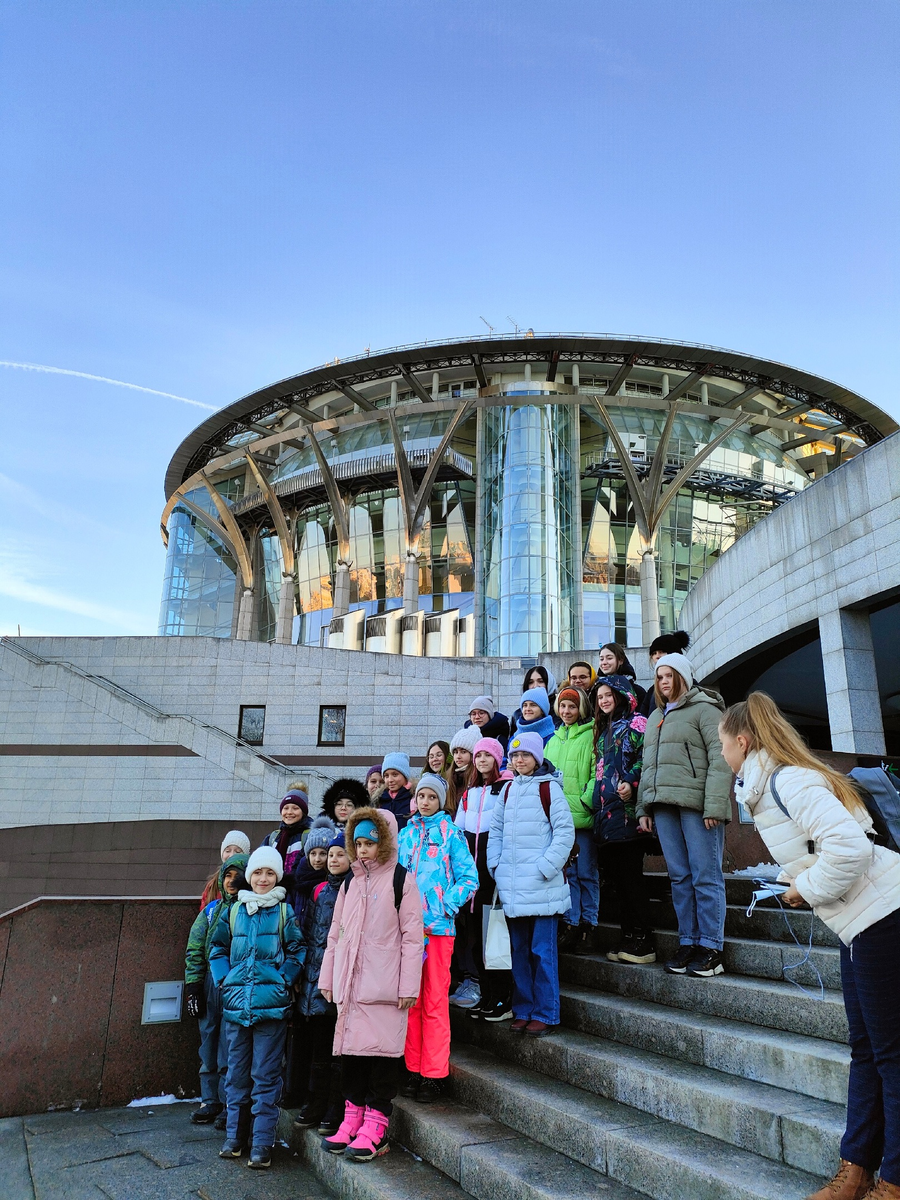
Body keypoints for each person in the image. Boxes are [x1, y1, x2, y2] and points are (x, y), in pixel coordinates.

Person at [721, 692, 900, 1200]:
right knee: (867, 1050)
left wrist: (806, 888)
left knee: (890, 1053)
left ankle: (894, 1181)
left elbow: (850, 847)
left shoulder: (788, 780)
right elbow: (821, 845)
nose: (722, 757)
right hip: (859, 922)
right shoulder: (767, 787)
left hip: (884, 915)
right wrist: (792, 875)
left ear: (743, 740)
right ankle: (857, 1170)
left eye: (722, 746)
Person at [318, 808, 424, 1161]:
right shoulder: (350, 882)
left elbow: (412, 938)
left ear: (386, 843)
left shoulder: (401, 880)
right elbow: (336, 934)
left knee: (381, 1058)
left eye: (370, 843)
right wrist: (329, 977)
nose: (362, 850)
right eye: (358, 843)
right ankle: (352, 1120)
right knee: (352, 1058)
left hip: (385, 987)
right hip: (351, 986)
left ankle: (376, 1128)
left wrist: (409, 986)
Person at [635, 652, 731, 978]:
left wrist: (715, 805)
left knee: (705, 874)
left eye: (669, 676)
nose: (663, 682)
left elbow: (721, 760)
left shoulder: (706, 709)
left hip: (697, 806)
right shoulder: (654, 718)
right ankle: (688, 941)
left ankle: (711, 947)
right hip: (663, 807)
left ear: (683, 677)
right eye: (659, 677)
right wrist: (643, 808)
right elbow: (648, 768)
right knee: (679, 878)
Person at [210, 846, 305, 1170]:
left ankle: (262, 1143)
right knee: (236, 1076)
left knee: (265, 1077)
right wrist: (225, 979)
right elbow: (217, 948)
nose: (263, 879)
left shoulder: (283, 912)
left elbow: (297, 950)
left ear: (276, 876)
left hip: (271, 1009)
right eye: (258, 873)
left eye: (269, 873)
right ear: (250, 876)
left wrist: (283, 979)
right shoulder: (234, 911)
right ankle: (236, 1137)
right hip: (237, 1007)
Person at [488, 732, 575, 1037]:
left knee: (542, 951)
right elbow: (495, 831)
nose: (519, 760)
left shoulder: (549, 789)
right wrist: (495, 864)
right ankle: (523, 1008)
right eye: (514, 756)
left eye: (525, 755)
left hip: (542, 887)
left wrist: (545, 867)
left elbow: (565, 833)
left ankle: (546, 1012)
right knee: (519, 951)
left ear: (537, 758)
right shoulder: (509, 790)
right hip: (513, 887)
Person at [399, 774, 478, 1102]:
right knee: (410, 1002)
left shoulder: (451, 834)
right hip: (407, 933)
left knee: (433, 1002)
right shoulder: (405, 835)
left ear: (441, 800)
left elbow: (469, 878)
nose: (425, 801)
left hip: (439, 931)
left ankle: (433, 1073)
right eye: (421, 796)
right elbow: (395, 877)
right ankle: (412, 1068)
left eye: (432, 796)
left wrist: (445, 904)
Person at [292, 832, 354, 1138]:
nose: (333, 860)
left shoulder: (355, 889)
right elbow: (309, 936)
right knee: (318, 1049)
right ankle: (314, 1101)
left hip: (339, 983)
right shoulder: (318, 890)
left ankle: (335, 1106)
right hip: (315, 982)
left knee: (336, 1051)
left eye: (340, 854)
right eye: (330, 855)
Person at [591, 675, 654, 964]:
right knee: (618, 881)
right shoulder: (604, 730)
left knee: (632, 879)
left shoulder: (638, 722)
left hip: (629, 814)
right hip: (607, 815)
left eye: (608, 695)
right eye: (600, 696)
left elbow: (646, 757)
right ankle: (629, 937)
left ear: (621, 695)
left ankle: (644, 940)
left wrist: (631, 780)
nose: (603, 700)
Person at [184, 853, 248, 1128]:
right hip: (211, 981)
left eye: (238, 875)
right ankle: (210, 1099)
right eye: (228, 875)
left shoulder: (248, 909)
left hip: (236, 980)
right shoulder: (211, 911)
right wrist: (194, 986)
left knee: (229, 1043)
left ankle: (226, 1101)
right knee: (209, 1039)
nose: (232, 881)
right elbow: (195, 948)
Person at [455, 737, 514, 1021]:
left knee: (495, 939)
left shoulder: (506, 788)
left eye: (487, 756)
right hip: (471, 876)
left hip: (492, 876)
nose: (481, 761)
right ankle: (488, 994)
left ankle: (503, 997)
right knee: (477, 940)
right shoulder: (469, 793)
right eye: (478, 756)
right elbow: (457, 834)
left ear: (497, 759)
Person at [546, 687, 599, 954]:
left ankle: (590, 923)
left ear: (581, 709)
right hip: (558, 819)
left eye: (572, 707)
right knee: (568, 875)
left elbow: (595, 772)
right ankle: (572, 921)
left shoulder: (591, 735)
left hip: (582, 816)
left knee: (586, 873)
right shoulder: (553, 740)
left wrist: (586, 801)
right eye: (563, 706)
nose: (567, 712)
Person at [640, 631, 691, 717]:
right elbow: (643, 719)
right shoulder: (652, 691)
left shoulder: (690, 684)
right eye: (654, 653)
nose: (657, 656)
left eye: (662, 652)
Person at [261, 787, 312, 867]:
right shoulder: (273, 838)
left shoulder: (310, 836)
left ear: (303, 812)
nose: (289, 812)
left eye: (295, 808)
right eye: (286, 808)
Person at [200, 830, 251, 907]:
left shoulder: (252, 881)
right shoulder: (212, 885)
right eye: (227, 851)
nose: (232, 855)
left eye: (237, 852)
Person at [509, 667, 559, 738]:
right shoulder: (517, 714)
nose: (535, 686)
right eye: (530, 682)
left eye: (541, 681)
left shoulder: (560, 711)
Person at [597, 643, 647, 711]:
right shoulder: (596, 689)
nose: (604, 662)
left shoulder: (637, 691)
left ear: (621, 660)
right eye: (601, 659)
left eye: (609, 658)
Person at [376, 753, 414, 830]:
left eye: (395, 775)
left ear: (405, 776)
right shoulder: (380, 799)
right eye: (386, 776)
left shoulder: (413, 798)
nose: (390, 780)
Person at [449, 726, 481, 814]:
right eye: (455, 752)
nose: (458, 756)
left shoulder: (477, 778)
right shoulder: (450, 777)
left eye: (463, 752)